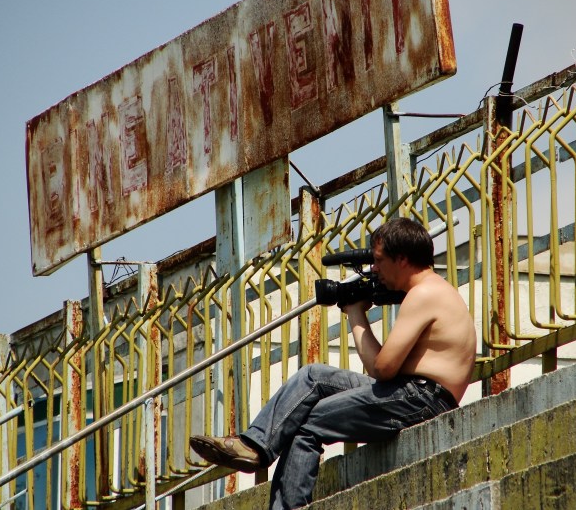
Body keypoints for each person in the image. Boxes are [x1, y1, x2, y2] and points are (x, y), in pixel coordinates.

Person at [190, 217, 476, 509]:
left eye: (379, 260)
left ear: (401, 259)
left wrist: (355, 313)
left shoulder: (423, 293)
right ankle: (255, 445)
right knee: (313, 376)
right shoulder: (432, 290)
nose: (374, 269)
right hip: (411, 392)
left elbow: (382, 368)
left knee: (309, 423)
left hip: (422, 398)